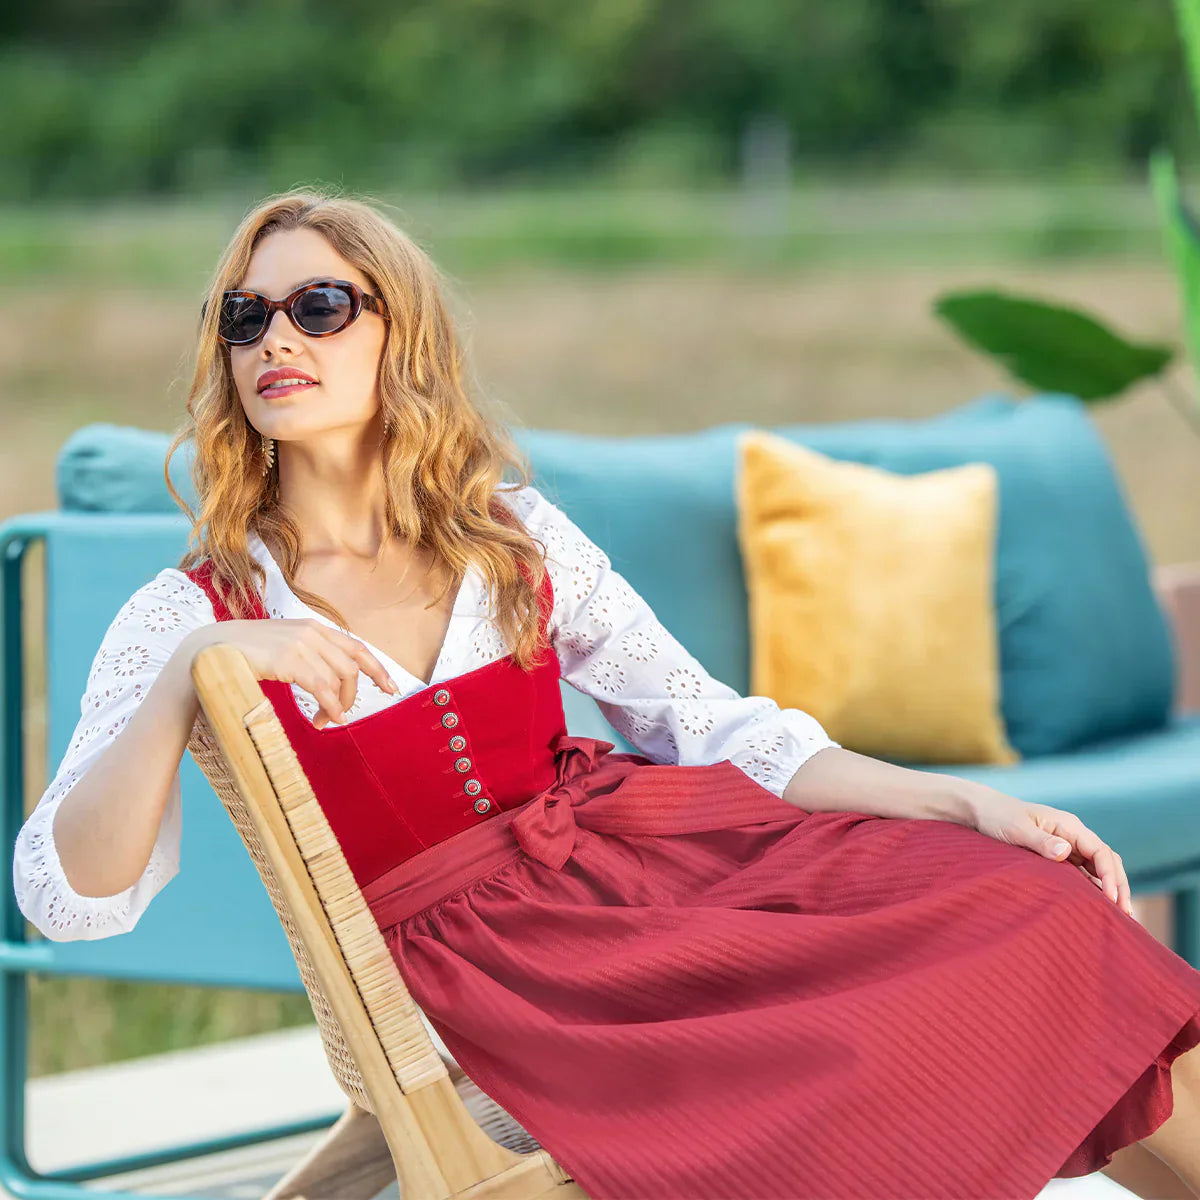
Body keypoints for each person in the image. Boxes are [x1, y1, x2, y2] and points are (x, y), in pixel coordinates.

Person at [12, 186, 1200, 1200]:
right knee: (971, 988)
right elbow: (67, 896)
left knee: (1037, 903)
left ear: (398, 336)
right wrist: (190, 678)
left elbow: (709, 722)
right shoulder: (197, 613)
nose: (279, 338)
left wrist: (962, 804)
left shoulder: (509, 536)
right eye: (246, 316)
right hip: (509, 985)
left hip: (652, 869)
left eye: (320, 306)